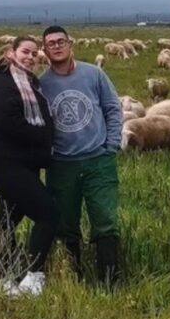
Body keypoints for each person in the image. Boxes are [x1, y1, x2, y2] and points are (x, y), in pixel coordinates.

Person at [39, 25, 124, 285]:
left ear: (70, 44)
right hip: (62, 164)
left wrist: (111, 145)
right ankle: (72, 278)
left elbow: (112, 108)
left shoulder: (94, 74)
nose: (56, 45)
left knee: (105, 219)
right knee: (65, 222)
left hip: (98, 160)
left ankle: (111, 281)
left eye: (60, 41)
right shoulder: (42, 84)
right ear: (45, 50)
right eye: (50, 43)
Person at [0, 35, 57, 297]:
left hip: (20, 163)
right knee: (49, 214)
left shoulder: (28, 82)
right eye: (26, 51)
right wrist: (43, 138)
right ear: (12, 52)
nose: (31, 57)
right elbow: (6, 121)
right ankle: (33, 279)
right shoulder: (3, 80)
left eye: (35, 53)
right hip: (6, 165)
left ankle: (4, 279)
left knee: (7, 221)